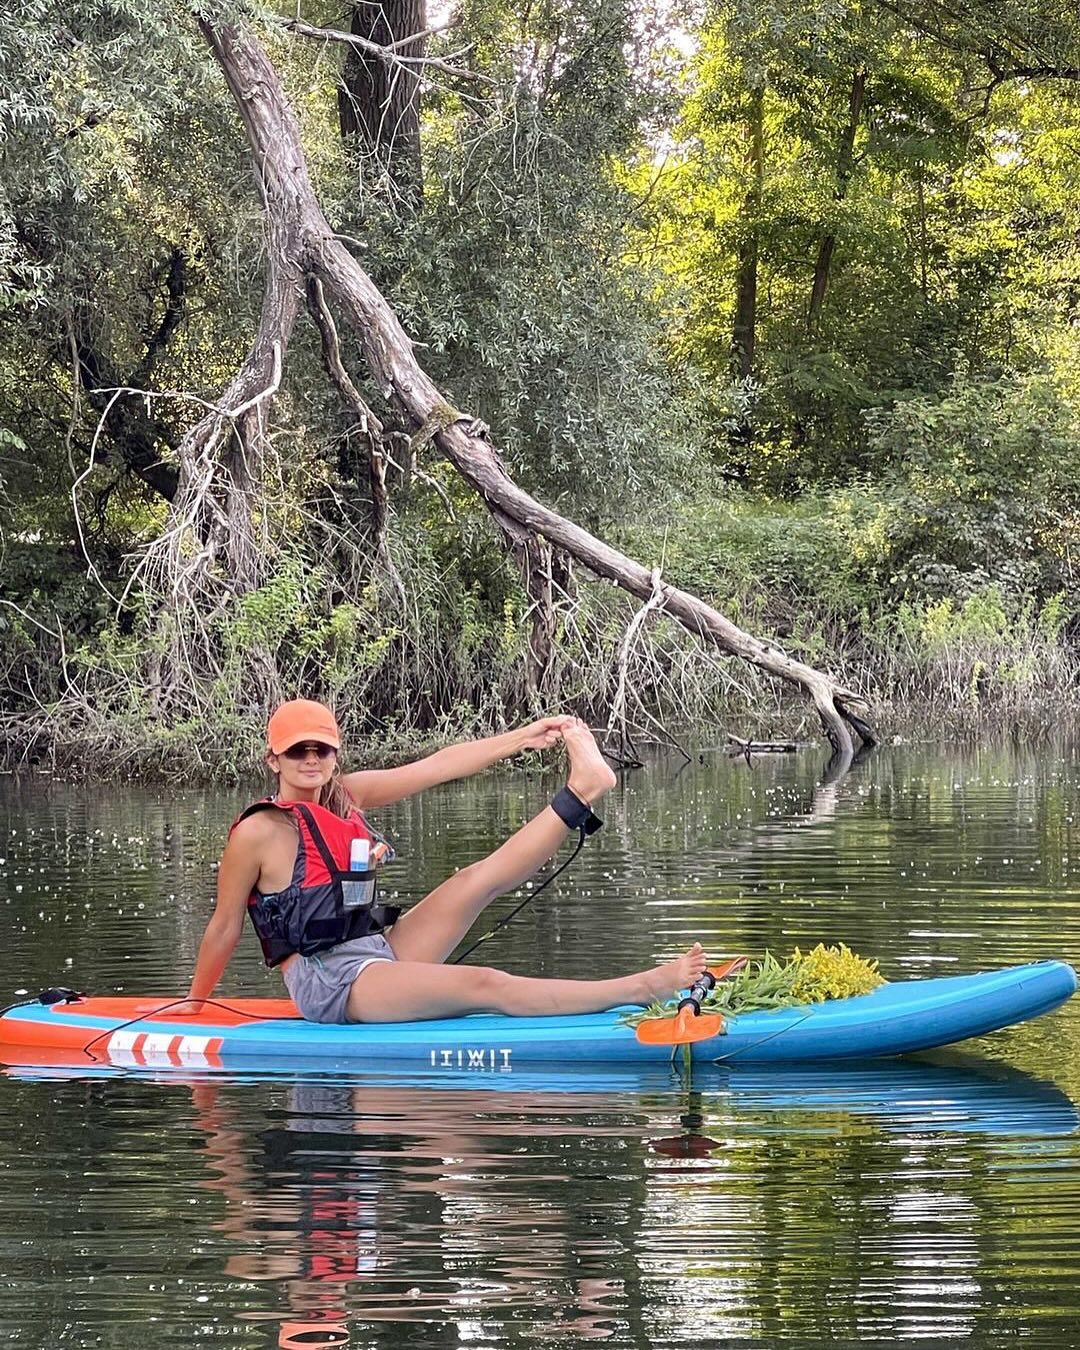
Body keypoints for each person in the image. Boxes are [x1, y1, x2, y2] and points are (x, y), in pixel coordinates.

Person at [183, 699, 707, 1023]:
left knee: (475, 880)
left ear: (336, 754)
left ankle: (581, 792)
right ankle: (643, 987)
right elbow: (225, 927)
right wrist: (192, 1010)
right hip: (330, 982)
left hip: (375, 951)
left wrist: (525, 737)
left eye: (322, 749)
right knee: (485, 985)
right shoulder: (257, 832)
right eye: (298, 751)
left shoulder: (346, 796)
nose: (312, 760)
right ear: (274, 759)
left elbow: (435, 767)